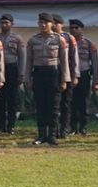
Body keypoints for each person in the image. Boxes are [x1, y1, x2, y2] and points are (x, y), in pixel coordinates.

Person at [25, 13, 72, 146]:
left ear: (51, 24)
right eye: (40, 23)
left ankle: (52, 135)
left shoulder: (59, 39)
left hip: (54, 74)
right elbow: (28, 61)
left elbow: (64, 61)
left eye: (45, 23)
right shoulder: (33, 40)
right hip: (38, 74)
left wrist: (64, 80)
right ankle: (41, 135)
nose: (43, 25)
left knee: (54, 106)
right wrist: (28, 78)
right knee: (40, 106)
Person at [68, 20, 98, 136]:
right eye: (71, 28)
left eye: (76, 28)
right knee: (71, 102)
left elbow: (94, 63)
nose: (73, 30)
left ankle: (83, 127)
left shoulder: (89, 43)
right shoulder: (66, 42)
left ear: (82, 29)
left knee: (84, 103)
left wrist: (95, 81)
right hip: (70, 76)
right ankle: (73, 128)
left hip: (84, 74)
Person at [0, 15, 25, 133]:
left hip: (12, 69)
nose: (4, 25)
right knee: (0, 99)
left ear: (12, 24)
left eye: (6, 23)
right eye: (2, 23)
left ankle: (11, 126)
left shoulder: (17, 38)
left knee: (12, 99)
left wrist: (21, 74)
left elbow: (22, 57)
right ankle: (1, 126)